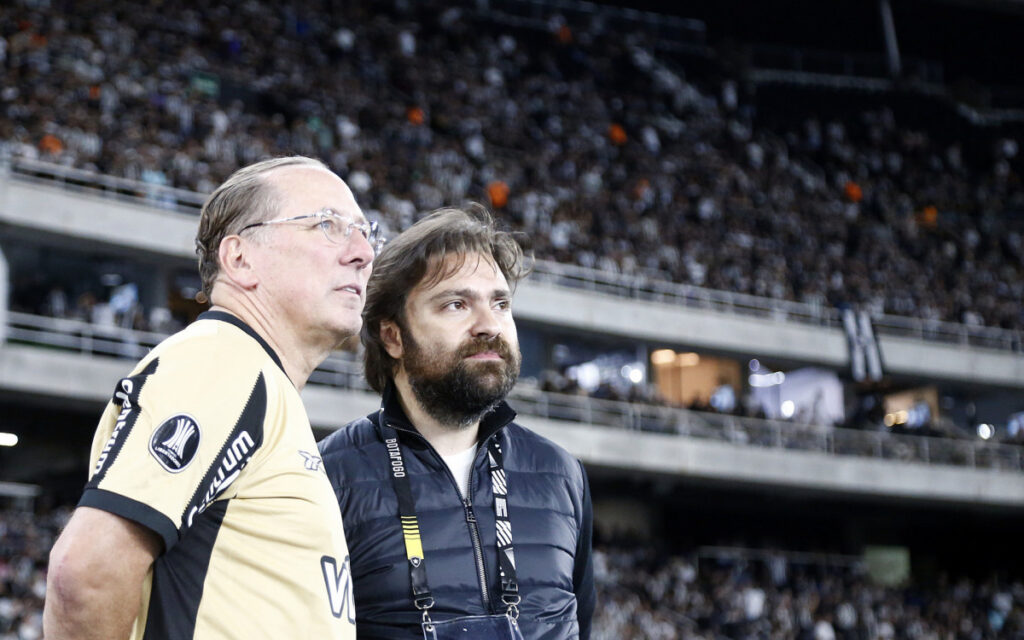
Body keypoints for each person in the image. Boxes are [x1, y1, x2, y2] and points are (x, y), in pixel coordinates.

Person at [43, 156, 383, 640]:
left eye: (364, 231)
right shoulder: (224, 361)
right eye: (327, 225)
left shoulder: (258, 380)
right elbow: (85, 575)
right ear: (240, 258)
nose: (362, 252)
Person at [319, 205, 595, 639]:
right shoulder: (327, 477)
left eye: (500, 303)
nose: (489, 325)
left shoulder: (560, 473)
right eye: (456, 304)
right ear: (392, 336)